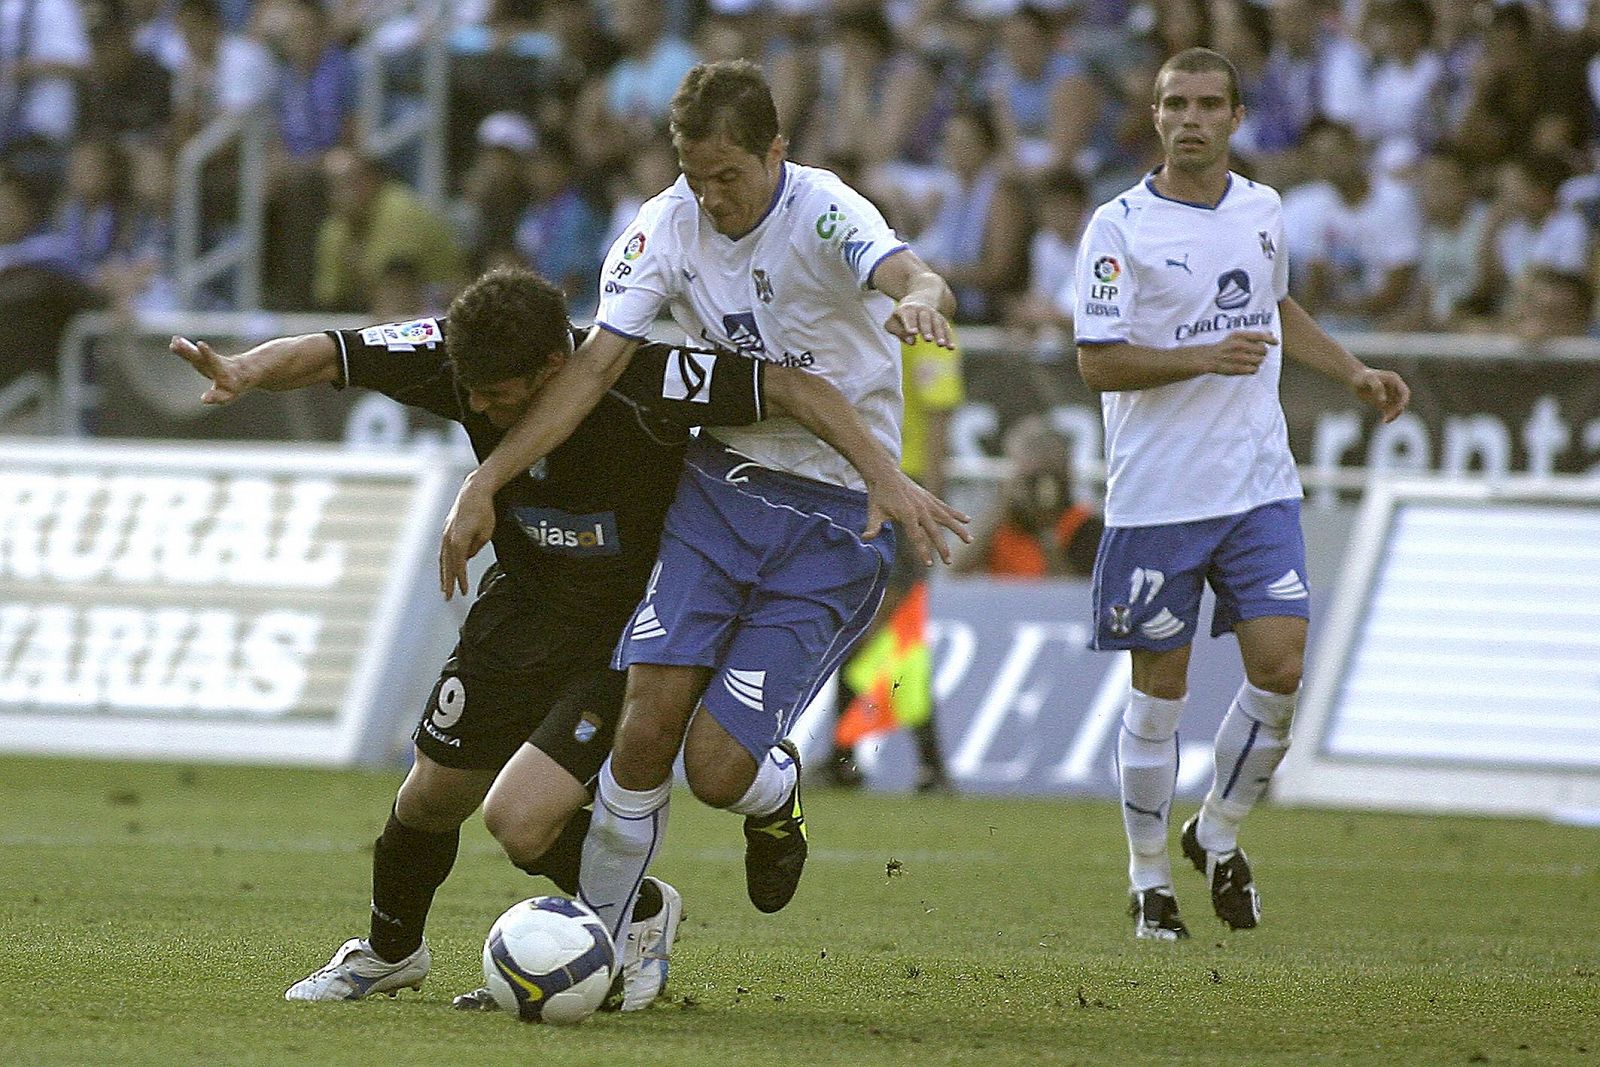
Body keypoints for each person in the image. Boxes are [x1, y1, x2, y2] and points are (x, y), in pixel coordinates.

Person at [169, 265, 924, 1010]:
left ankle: (637, 911)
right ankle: (390, 953)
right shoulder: (458, 357)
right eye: (471, 393)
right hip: (523, 607)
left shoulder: (644, 377)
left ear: (557, 367)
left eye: (499, 397)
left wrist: (881, 473)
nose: (479, 408)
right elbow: (336, 352)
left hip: (627, 629)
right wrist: (245, 369)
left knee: (520, 822)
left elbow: (789, 388)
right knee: (429, 796)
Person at [436, 59, 968, 969]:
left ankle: (774, 796)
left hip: (842, 504)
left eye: (730, 176)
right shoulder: (663, 229)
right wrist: (488, 477)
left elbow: (918, 279)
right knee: (645, 726)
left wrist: (920, 304)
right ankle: (610, 954)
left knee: (717, 769)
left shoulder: (826, 209)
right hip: (721, 486)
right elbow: (592, 370)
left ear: (776, 152)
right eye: (695, 176)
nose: (712, 197)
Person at [1073, 48, 1409, 942]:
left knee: (1282, 667)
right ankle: (1148, 880)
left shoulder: (1265, 211)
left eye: (1208, 103)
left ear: (1235, 116)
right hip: (1155, 496)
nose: (1191, 117)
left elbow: (1276, 306)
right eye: (1175, 103)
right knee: (1162, 691)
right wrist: (1198, 358)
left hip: (1258, 484)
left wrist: (1352, 370)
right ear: (1155, 117)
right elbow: (1095, 359)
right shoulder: (1118, 226)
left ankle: (1214, 833)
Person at [951, 416, 1102, 579]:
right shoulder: (1000, 524)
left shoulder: (1084, 526)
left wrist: (1046, 530)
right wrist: (1003, 506)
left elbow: (1073, 590)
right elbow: (955, 572)